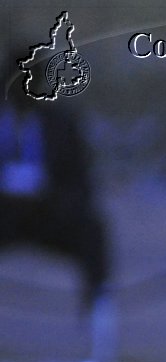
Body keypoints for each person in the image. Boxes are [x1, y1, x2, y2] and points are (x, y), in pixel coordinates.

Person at [0, 88, 110, 310]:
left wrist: (55, 197)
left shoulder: (59, 123)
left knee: (92, 230)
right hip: (4, 209)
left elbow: (80, 180)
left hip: (47, 209)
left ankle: (99, 316)